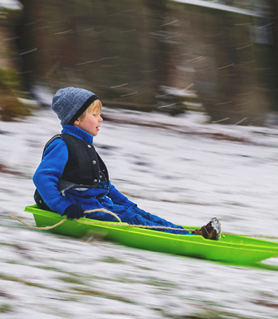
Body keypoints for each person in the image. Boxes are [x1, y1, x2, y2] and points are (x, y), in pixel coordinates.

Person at [33, 87, 221, 240]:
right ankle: (185, 239)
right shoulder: (62, 144)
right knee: (130, 218)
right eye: (95, 114)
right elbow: (42, 177)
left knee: (141, 215)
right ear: (76, 119)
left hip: (98, 203)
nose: (101, 119)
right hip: (80, 207)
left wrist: (128, 203)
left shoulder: (86, 147)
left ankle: (190, 234)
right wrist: (63, 206)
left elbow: (104, 186)